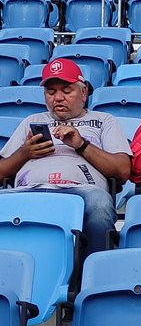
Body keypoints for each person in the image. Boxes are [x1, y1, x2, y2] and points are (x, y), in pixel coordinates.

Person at [0, 58, 132, 256]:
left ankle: (91, 276)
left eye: (66, 90)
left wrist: (82, 145)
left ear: (84, 93)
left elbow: (122, 170)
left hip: (81, 192)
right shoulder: (32, 121)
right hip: (27, 191)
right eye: (51, 92)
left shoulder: (104, 121)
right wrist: (25, 153)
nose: (58, 98)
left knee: (100, 204)